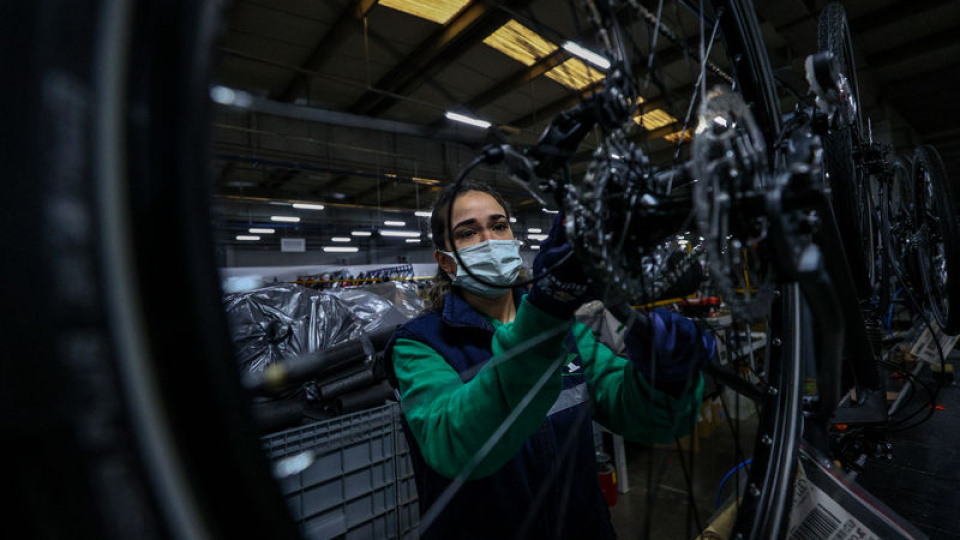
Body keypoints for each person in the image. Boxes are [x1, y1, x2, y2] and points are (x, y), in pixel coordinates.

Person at [383, 180, 715, 539]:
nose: (490, 240)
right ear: (445, 261)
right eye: (468, 233)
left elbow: (632, 411)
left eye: (498, 226)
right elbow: (454, 443)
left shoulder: (565, 330)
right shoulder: (418, 345)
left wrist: (663, 379)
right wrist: (544, 312)